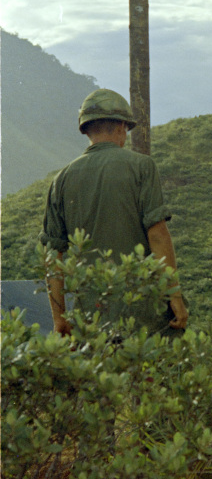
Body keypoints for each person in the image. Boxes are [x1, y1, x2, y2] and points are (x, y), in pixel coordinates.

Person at [40, 89, 188, 337]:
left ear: (86, 129)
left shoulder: (61, 180)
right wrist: (174, 294)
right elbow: (158, 235)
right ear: (122, 126)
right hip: (143, 315)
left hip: (91, 319)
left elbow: (53, 259)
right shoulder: (142, 167)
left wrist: (60, 320)